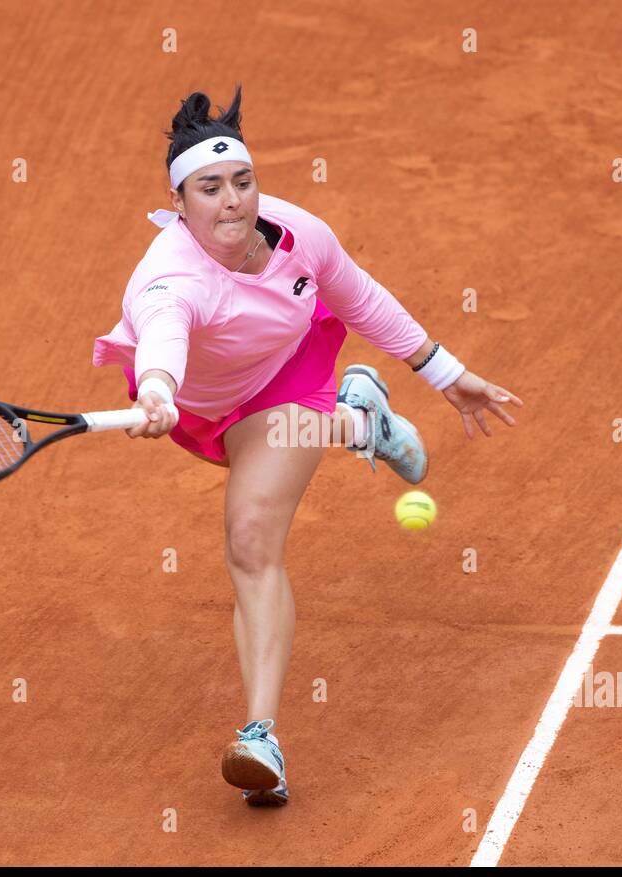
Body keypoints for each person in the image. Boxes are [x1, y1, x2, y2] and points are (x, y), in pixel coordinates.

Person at [93, 85, 523, 806]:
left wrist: (446, 373)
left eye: (242, 182)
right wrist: (158, 388)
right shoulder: (168, 277)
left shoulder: (299, 235)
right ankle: (362, 421)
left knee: (250, 538)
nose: (231, 200)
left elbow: (359, 298)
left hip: (281, 375)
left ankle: (260, 734)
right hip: (194, 401)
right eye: (210, 188)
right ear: (179, 202)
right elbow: (164, 333)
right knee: (274, 450)